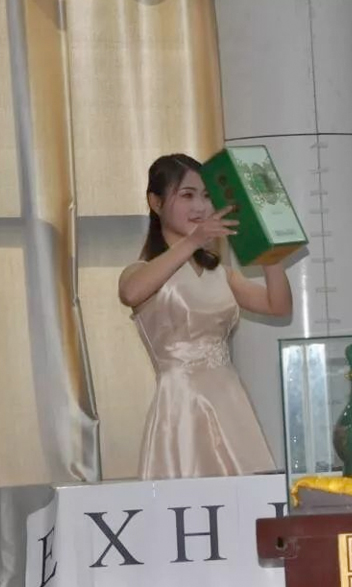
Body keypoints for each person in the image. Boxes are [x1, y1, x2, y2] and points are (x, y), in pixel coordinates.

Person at [118, 154, 292, 480]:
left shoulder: (220, 273)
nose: (200, 206)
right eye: (187, 195)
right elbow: (131, 293)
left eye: (207, 196)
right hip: (182, 403)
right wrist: (193, 241)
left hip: (230, 397)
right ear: (155, 203)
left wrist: (269, 249)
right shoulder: (141, 271)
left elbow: (278, 305)